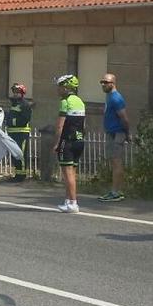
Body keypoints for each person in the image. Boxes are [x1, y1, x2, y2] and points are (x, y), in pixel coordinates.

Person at [53, 75, 86, 213]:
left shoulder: (65, 102)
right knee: (72, 171)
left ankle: (73, 203)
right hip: (79, 140)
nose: (58, 89)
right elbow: (84, 124)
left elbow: (60, 126)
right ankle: (68, 200)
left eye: (60, 86)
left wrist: (56, 143)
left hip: (67, 141)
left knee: (67, 173)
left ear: (66, 88)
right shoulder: (80, 101)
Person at [97, 74, 132, 202]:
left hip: (117, 133)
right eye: (102, 82)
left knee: (117, 162)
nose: (103, 85)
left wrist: (127, 133)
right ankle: (115, 190)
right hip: (111, 132)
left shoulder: (116, 98)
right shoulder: (109, 96)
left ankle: (116, 192)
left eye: (106, 82)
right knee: (113, 161)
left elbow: (124, 118)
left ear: (113, 83)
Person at [4, 83, 32, 182]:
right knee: (15, 154)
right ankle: (17, 174)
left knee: (21, 154)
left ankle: (21, 176)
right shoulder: (14, 104)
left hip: (21, 133)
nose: (15, 94)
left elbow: (25, 119)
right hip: (13, 133)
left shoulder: (25, 104)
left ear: (22, 93)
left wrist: (11, 121)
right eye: (14, 92)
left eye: (17, 92)